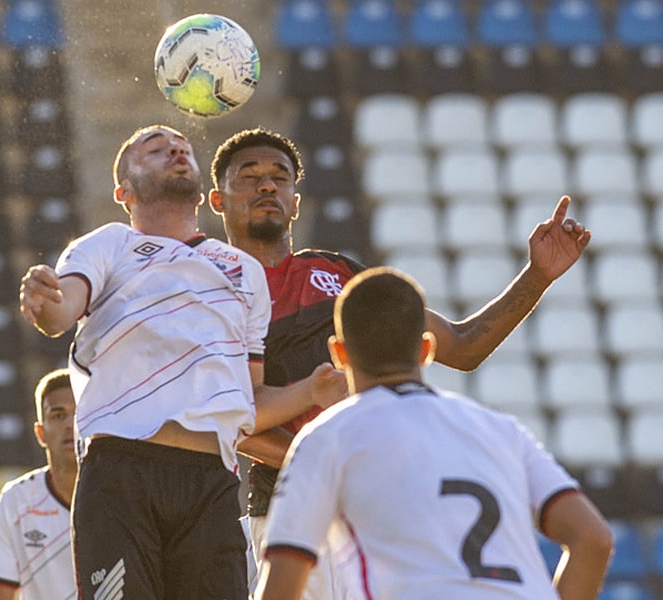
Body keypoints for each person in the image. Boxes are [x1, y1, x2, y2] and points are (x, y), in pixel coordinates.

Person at [206, 127, 593, 599]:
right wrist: (322, 461)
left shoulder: (341, 276)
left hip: (382, 512)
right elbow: (222, 417)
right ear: (217, 200)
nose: (267, 185)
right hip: (290, 511)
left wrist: (536, 277)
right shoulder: (206, 289)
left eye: (279, 177)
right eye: (249, 176)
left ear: (297, 202)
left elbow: (464, 346)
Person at [17, 125, 345, 600]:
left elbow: (249, 402)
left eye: (182, 148)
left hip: (210, 483)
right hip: (120, 473)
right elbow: (60, 310)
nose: (174, 150)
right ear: (123, 190)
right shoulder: (109, 245)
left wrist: (310, 392)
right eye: (154, 149)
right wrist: (44, 299)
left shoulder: (243, 272)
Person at [256, 267, 614, 600]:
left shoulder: (328, 437)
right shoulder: (500, 429)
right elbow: (593, 539)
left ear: (339, 354)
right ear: (427, 349)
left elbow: (281, 586)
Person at [0, 368, 78, 600]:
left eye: (79, 413)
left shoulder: (124, 494)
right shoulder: (17, 500)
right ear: (40, 433)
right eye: (58, 415)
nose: (70, 424)